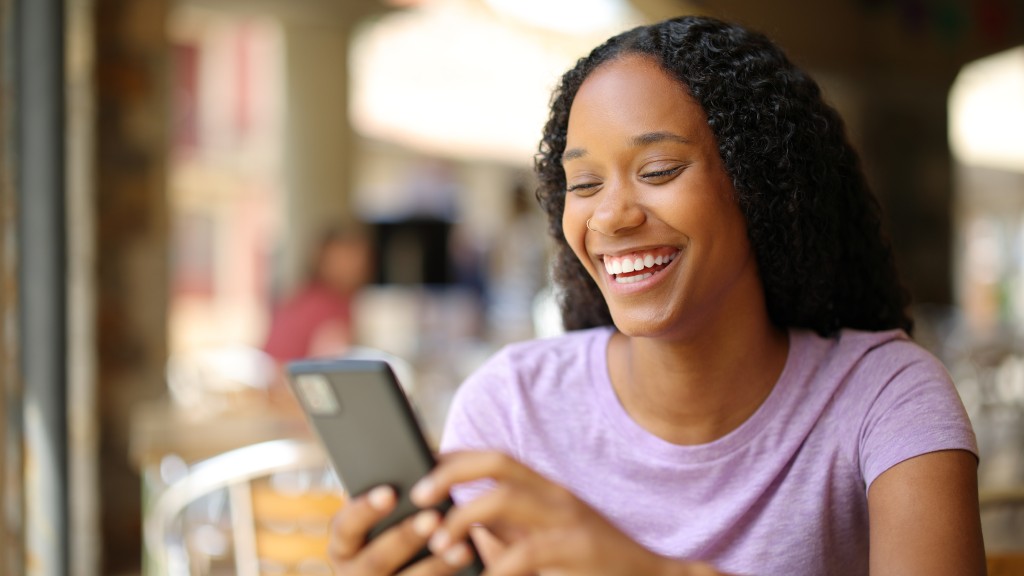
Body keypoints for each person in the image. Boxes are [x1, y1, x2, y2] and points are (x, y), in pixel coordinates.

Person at [326, 16, 986, 576]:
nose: (611, 216)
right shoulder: (510, 408)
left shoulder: (885, 395)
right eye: (583, 184)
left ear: (760, 186)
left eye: (659, 170)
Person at [263, 222, 373, 402]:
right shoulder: (324, 306)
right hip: (291, 401)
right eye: (345, 257)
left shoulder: (321, 298)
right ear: (323, 260)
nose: (355, 265)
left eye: (359, 257)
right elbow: (330, 372)